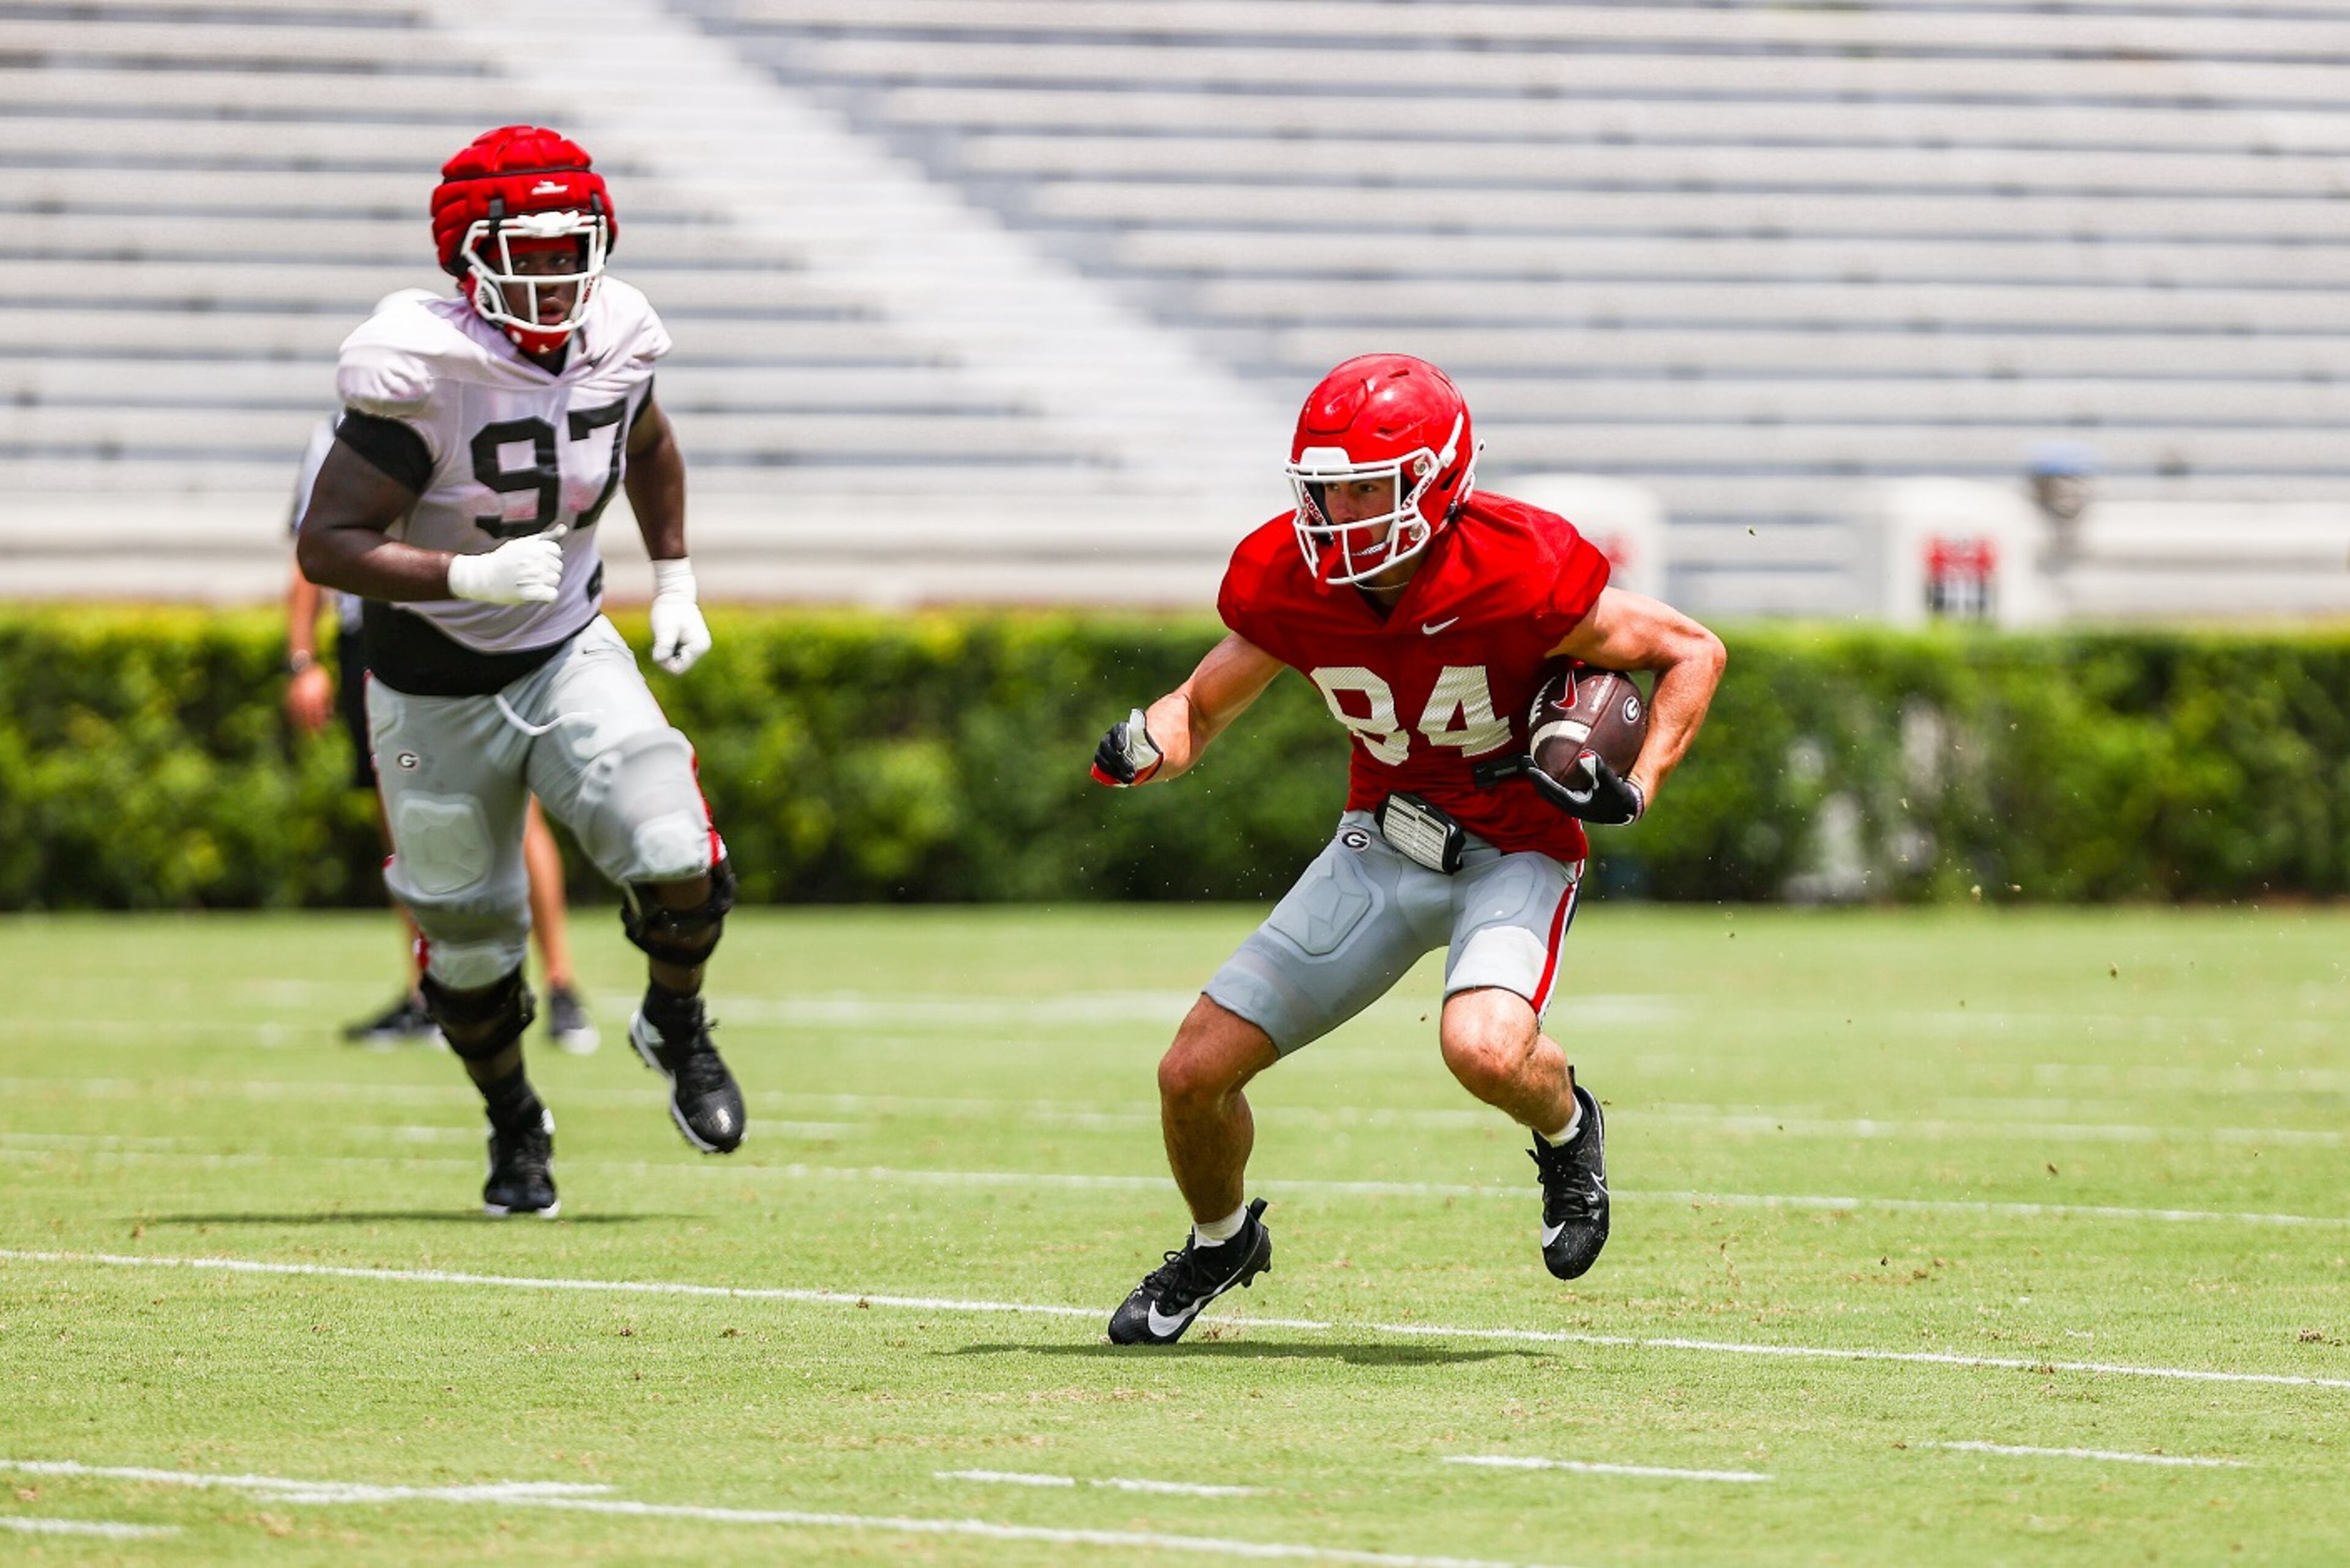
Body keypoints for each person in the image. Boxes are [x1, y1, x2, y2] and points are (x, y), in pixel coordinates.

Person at [1089, 353, 1727, 1344]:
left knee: (1479, 1048)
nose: (1339, 512)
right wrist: (1147, 745)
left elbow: (1692, 649)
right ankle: (1220, 1243)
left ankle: (1567, 1126)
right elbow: (1199, 710)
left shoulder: (1517, 562)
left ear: (1435, 482)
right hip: (1378, 847)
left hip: (1515, 849)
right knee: (1190, 1075)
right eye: (1325, 487)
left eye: (1363, 487)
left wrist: (1635, 789)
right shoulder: (1292, 577)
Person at [296, 125, 744, 1219]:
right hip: (427, 687)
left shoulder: (619, 336)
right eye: (524, 251)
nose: (550, 274)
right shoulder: (424, 367)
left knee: (675, 844)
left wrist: (674, 577)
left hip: (564, 649)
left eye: (566, 248)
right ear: (469, 253)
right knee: (467, 940)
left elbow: (647, 445)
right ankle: (514, 1120)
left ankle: (676, 1023)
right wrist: (464, 572)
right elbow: (327, 542)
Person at [285, 406, 600, 1053]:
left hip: (471, 628)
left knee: (517, 807)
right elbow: (311, 547)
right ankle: (430, 992)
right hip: (370, 635)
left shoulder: (465, 414)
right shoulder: (337, 434)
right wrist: (303, 659)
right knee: (400, 817)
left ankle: (562, 986)